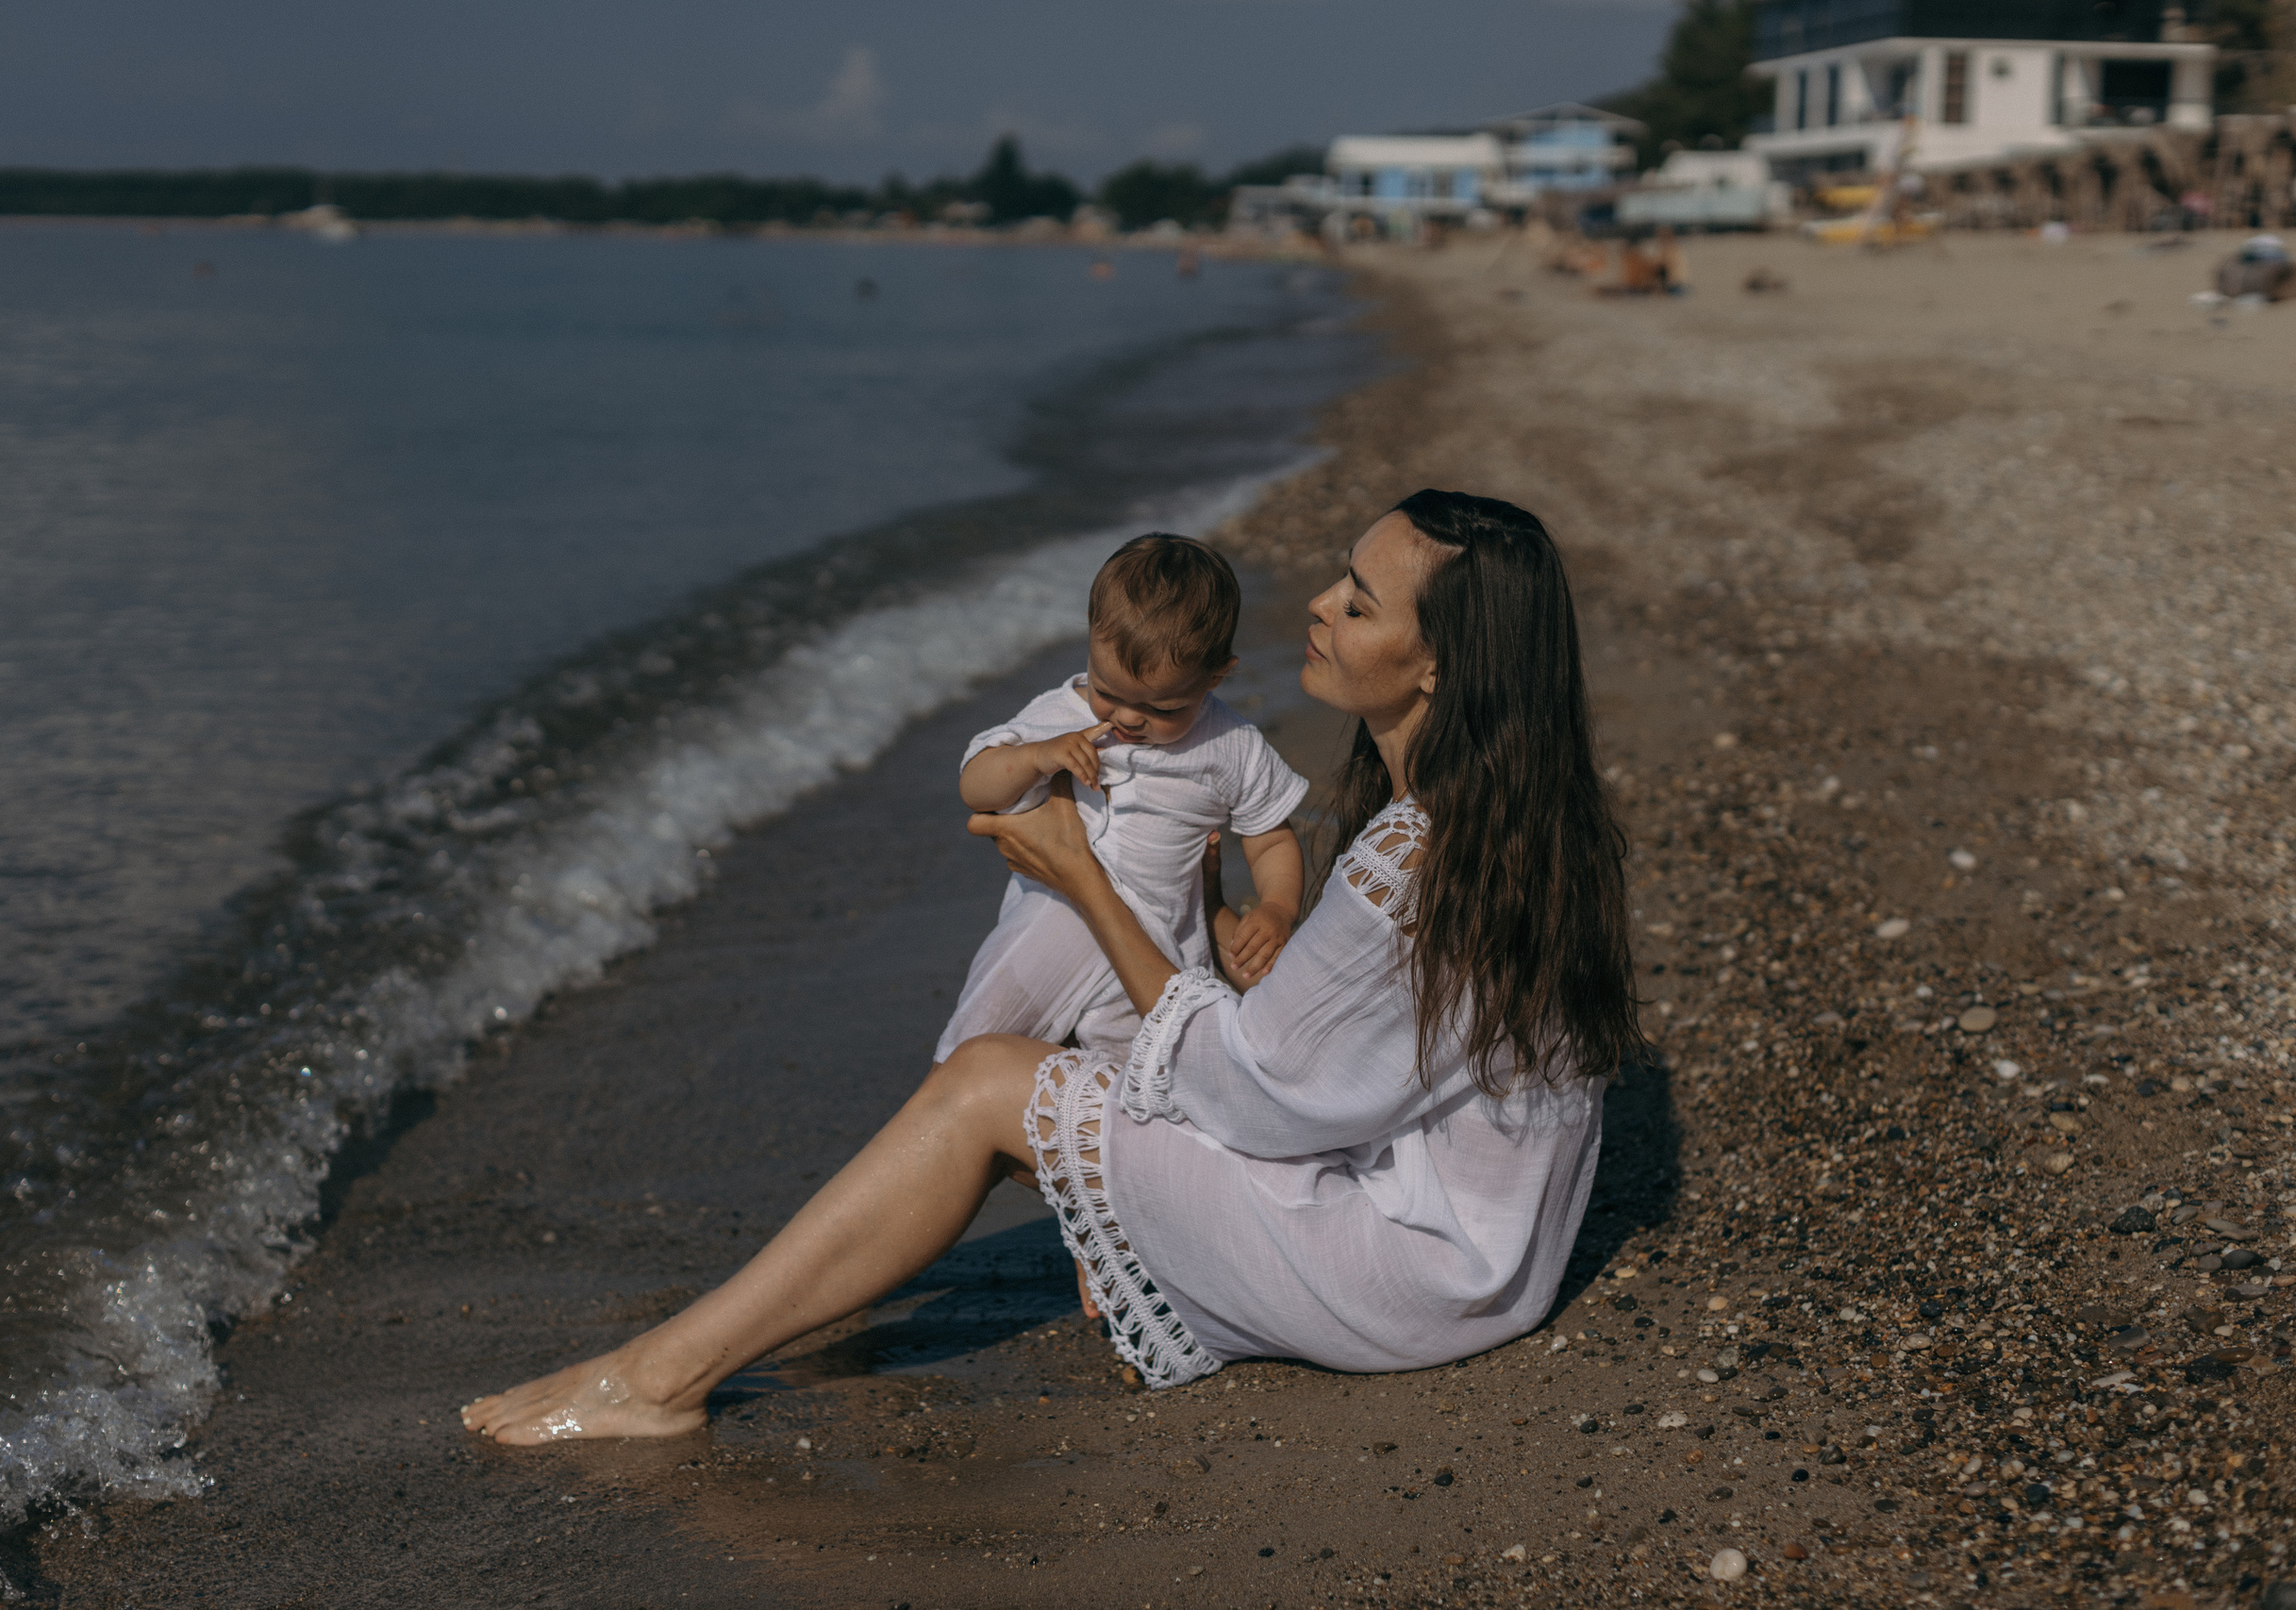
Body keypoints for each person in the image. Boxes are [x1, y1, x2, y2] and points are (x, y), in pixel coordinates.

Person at [461, 490, 1642, 1442]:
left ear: (1437, 666)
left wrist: (1080, 874)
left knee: (982, 1083)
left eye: (1360, 600)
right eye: (1341, 574)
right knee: (1044, 1074)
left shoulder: (1415, 857)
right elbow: (1343, 1055)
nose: (1323, 604)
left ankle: (658, 1378)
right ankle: (812, 1297)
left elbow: (1258, 1097)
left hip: (1407, 1270)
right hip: (1482, 1258)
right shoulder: (1514, 819)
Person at [939, 534, 1309, 1066]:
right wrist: (1039, 757)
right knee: (974, 1044)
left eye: (1163, 706)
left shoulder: (1232, 746)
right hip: (1053, 918)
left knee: (1145, 1079)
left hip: (1158, 946)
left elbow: (1271, 835)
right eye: (1108, 692)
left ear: (1216, 676)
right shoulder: (1060, 717)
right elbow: (975, 787)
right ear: (1090, 643)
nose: (1127, 718)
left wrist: (1277, 906)